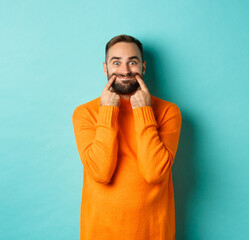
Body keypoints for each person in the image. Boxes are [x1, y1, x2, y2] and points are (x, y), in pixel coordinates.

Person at [72, 34, 182, 240]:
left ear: (143, 67)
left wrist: (143, 110)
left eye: (132, 62)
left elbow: (154, 173)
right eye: (116, 62)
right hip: (100, 232)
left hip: (154, 233)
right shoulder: (85, 113)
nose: (125, 71)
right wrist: (107, 112)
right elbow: (101, 173)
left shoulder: (168, 111)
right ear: (105, 68)